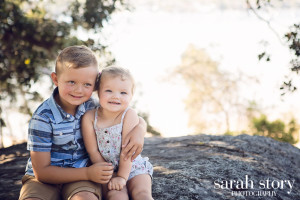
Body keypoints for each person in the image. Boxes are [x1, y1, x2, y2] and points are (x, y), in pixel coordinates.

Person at [19, 46, 147, 200]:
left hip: (82, 178)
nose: (79, 90)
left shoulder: (93, 107)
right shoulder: (43, 118)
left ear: (96, 84)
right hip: (46, 179)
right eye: (71, 82)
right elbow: (42, 172)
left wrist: (140, 128)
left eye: (87, 84)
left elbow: (125, 115)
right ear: (55, 79)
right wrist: (88, 173)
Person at [82, 66, 153, 200]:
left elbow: (127, 151)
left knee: (142, 194)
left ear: (131, 96)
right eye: (108, 90)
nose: (116, 96)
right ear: (98, 92)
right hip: (106, 169)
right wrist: (110, 174)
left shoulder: (129, 115)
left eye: (123, 93)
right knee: (116, 195)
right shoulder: (90, 117)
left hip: (132, 166)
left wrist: (122, 177)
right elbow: (93, 152)